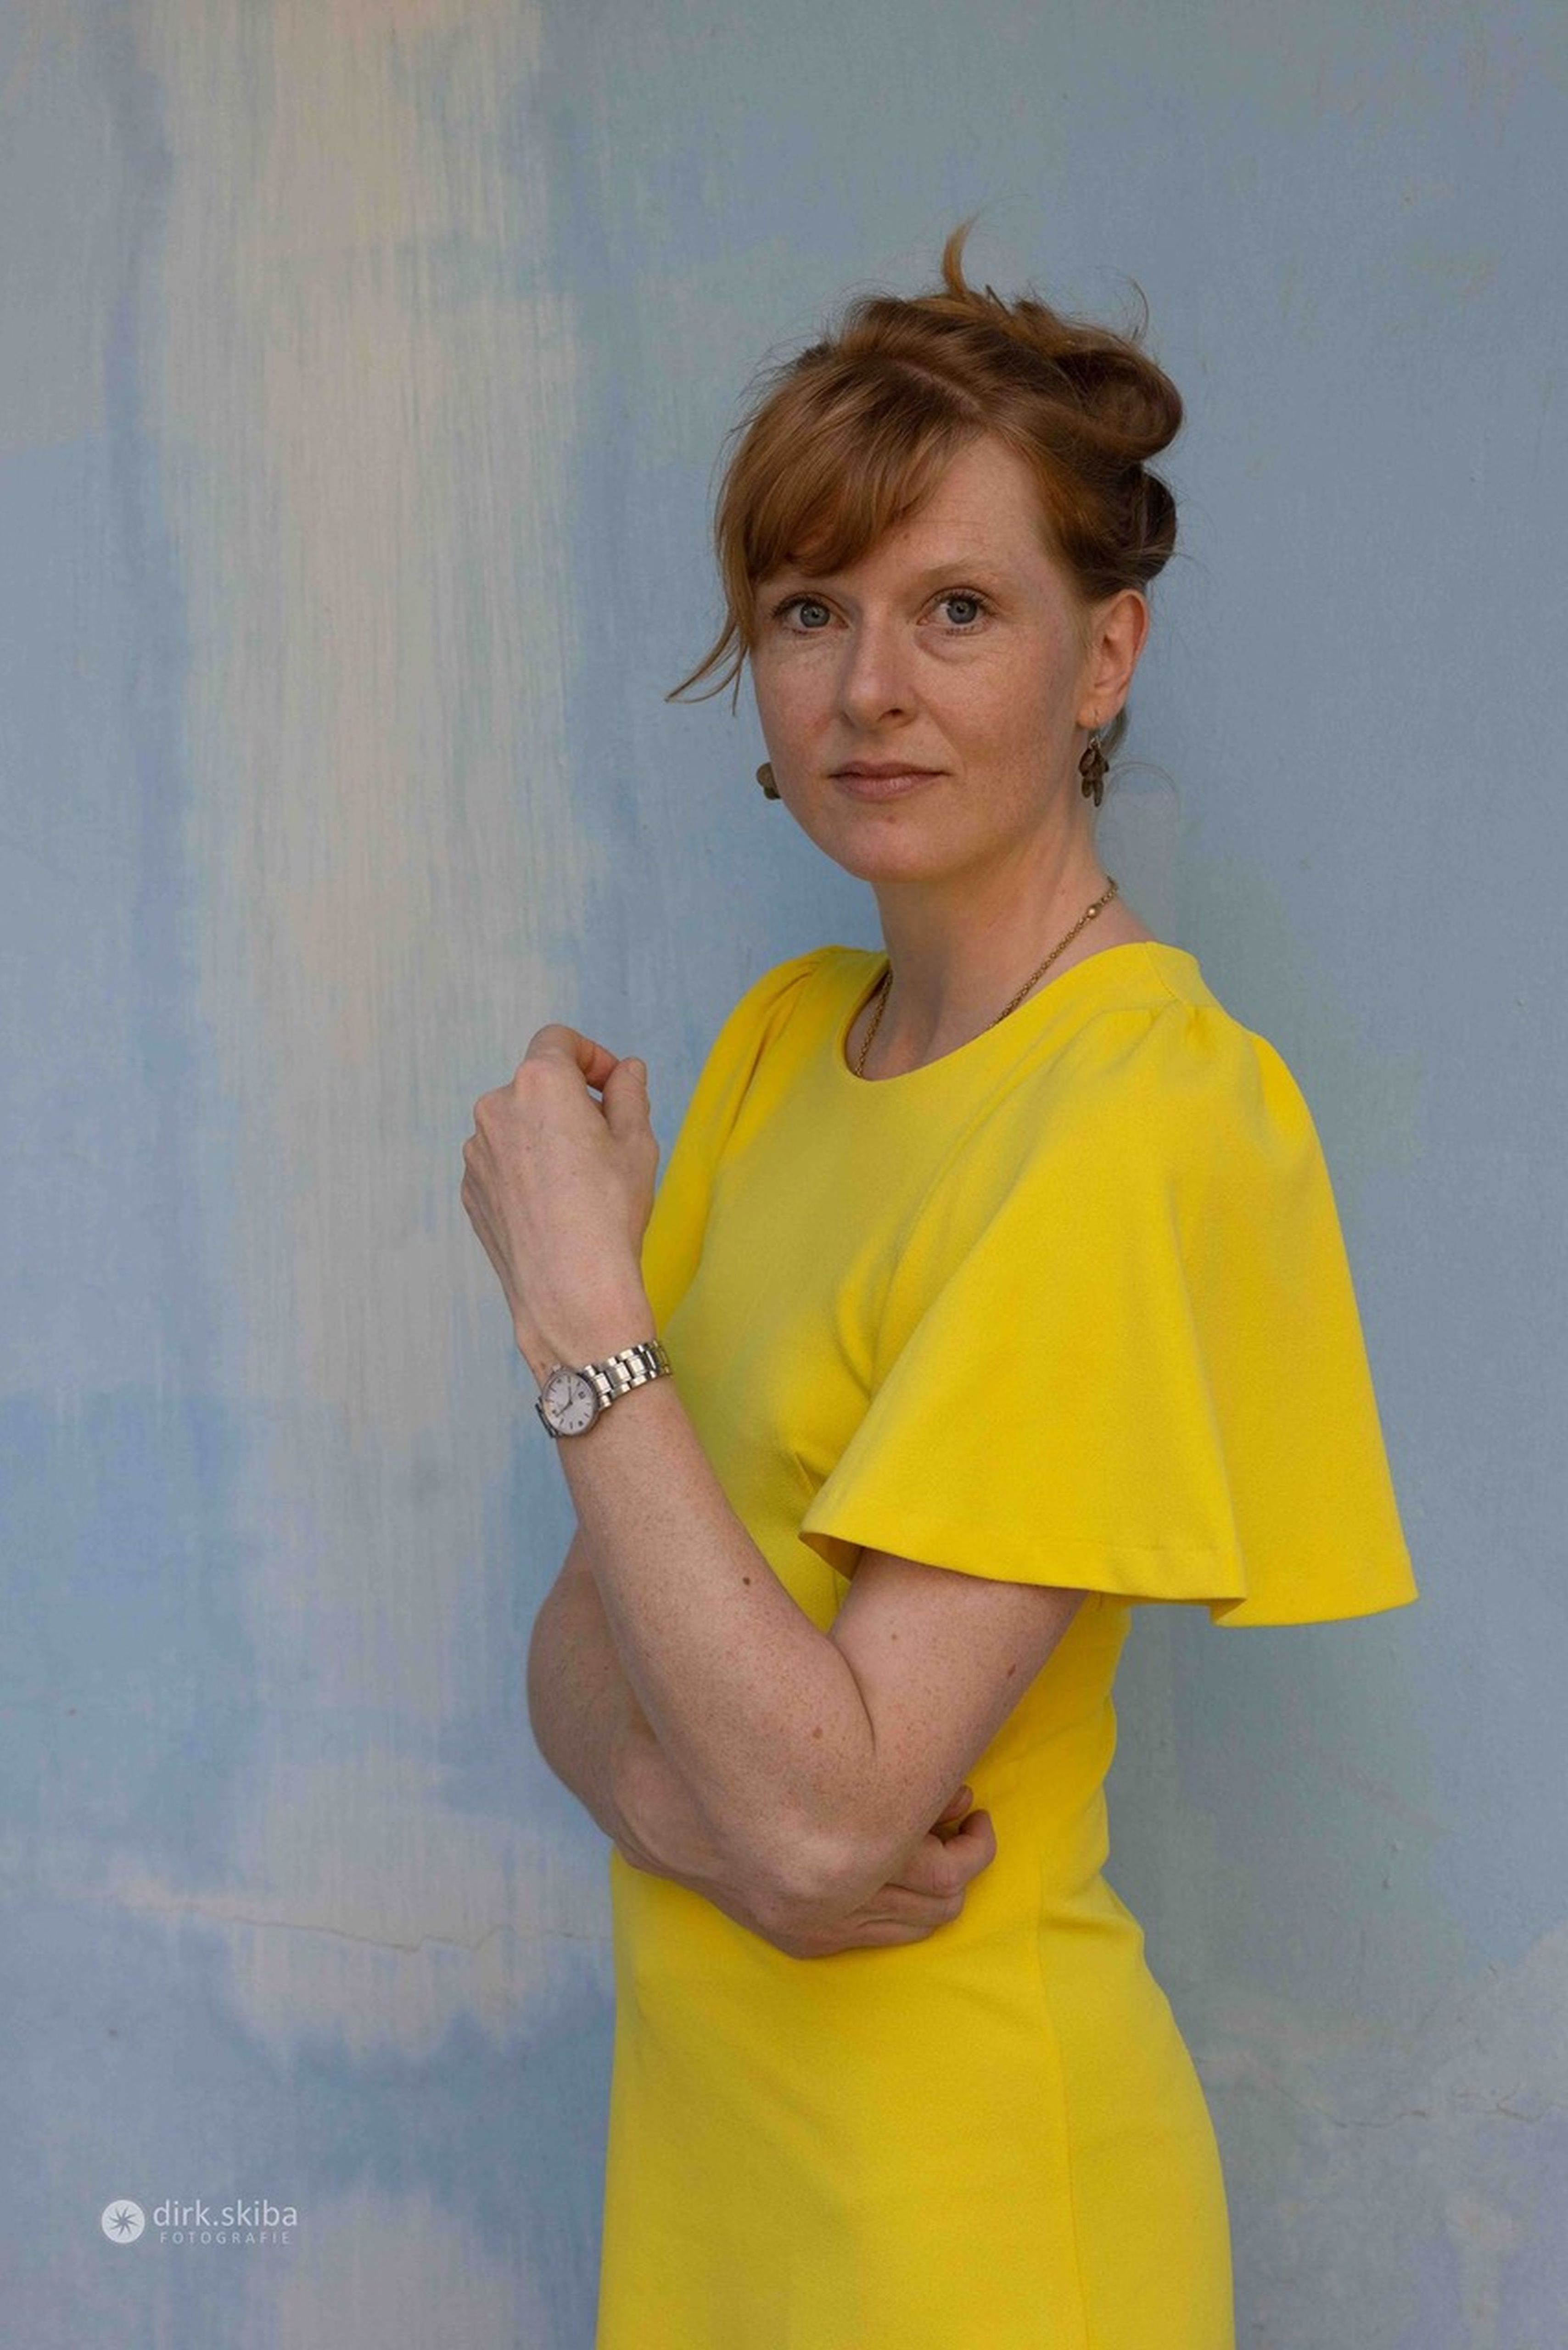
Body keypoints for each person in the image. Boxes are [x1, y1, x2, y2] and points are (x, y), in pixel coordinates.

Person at [461, 224, 1420, 2350]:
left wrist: (575, 1309)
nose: (865, 688)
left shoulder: (1139, 1107)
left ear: (1104, 656)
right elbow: (583, 1651)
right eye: (808, 609)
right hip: (712, 2199)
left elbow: (827, 1807)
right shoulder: (780, 1045)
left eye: (955, 609)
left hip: (971, 2226)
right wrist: (680, 1807)